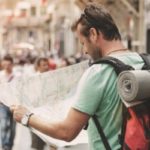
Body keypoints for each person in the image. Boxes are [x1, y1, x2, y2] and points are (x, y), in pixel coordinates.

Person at [10, 3, 144, 150]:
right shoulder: (144, 62)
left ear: (93, 34)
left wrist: (26, 117)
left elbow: (66, 132)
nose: (84, 51)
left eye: (83, 43)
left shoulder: (98, 73)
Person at [30, 57, 49, 150]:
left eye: (47, 65)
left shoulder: (52, 77)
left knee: (53, 142)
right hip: (36, 115)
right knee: (38, 144)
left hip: (50, 115)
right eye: (43, 65)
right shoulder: (32, 79)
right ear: (38, 67)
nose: (46, 67)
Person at [0, 55, 17, 150]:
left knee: (13, 128)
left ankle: (10, 145)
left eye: (9, 64)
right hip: (3, 104)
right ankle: (5, 145)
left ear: (12, 64)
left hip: (14, 105)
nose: (7, 66)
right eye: (5, 64)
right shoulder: (0, 75)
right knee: (4, 125)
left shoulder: (17, 76)